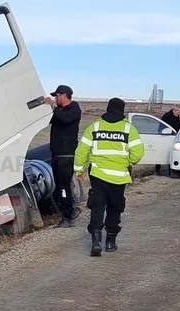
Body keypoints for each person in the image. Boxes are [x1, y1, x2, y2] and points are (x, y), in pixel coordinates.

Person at [74, 98, 145, 256]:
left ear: (108, 108)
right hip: (119, 176)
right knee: (115, 208)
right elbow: (138, 153)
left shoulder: (95, 126)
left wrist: (79, 170)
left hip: (98, 175)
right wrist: (128, 162)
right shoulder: (128, 128)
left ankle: (96, 242)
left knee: (97, 206)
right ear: (122, 110)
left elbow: (82, 150)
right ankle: (110, 243)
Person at [44, 84, 82, 228]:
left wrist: (53, 106)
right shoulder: (59, 111)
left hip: (66, 155)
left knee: (64, 187)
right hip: (57, 154)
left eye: (57, 96)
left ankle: (67, 217)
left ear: (64, 95)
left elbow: (66, 119)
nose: (55, 98)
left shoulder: (74, 109)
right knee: (60, 186)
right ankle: (69, 211)